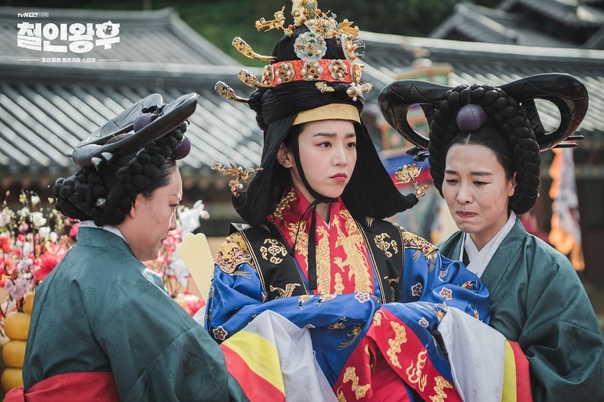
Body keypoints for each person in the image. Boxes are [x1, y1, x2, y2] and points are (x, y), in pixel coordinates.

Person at [200, 2, 531, 400]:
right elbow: (226, 328)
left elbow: (467, 296)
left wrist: (388, 321)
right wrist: (335, 309)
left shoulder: (389, 244)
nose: (342, 158)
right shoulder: (247, 253)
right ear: (284, 153)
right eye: (324, 144)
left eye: (351, 143)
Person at [379, 73, 604, 401]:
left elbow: (576, 379)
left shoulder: (549, 272)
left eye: (480, 182)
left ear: (512, 182)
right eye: (452, 180)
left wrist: (473, 353)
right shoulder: (429, 263)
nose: (462, 196)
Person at [14, 93, 247, 401]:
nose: (174, 223)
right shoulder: (125, 284)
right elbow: (196, 381)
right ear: (135, 202)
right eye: (172, 204)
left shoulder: (65, 272)